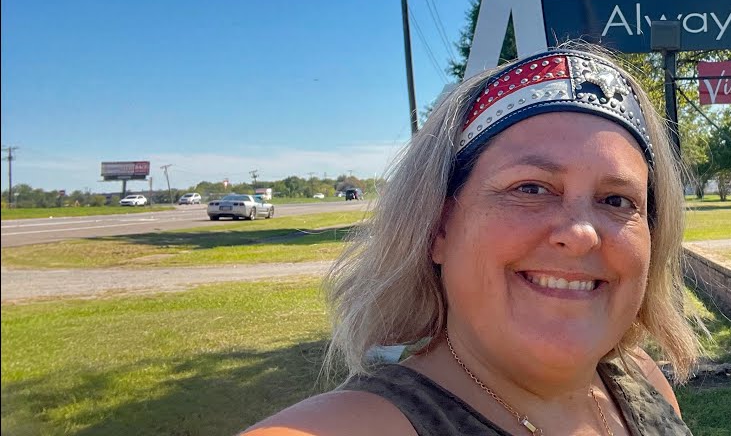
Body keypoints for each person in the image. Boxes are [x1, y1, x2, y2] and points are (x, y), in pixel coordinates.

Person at [244, 45, 701, 435]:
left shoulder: (641, 380)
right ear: (439, 228)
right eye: (531, 189)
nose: (581, 233)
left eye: (617, 200)